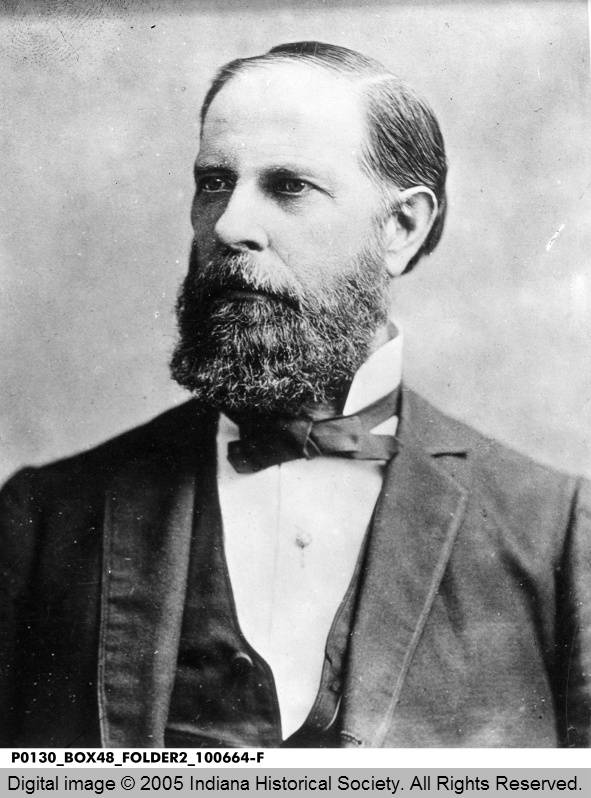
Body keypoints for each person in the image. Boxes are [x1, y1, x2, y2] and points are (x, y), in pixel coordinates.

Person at [1, 41, 589, 749]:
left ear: (401, 227)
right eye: (214, 182)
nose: (229, 226)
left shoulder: (554, 532)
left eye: (288, 187)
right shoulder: (43, 520)